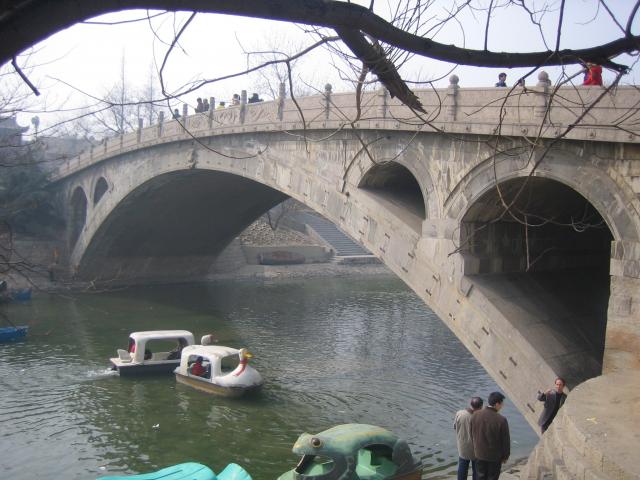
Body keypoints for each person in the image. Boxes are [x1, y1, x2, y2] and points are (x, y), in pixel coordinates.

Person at [470, 392, 510, 480]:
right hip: (494, 457)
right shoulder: (501, 420)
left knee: (480, 477)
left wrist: (475, 449)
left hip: (479, 454)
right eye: (502, 403)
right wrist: (506, 456)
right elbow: (505, 441)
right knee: (492, 477)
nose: (502, 406)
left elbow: (471, 433)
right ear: (497, 404)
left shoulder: (475, 415)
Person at [454, 397, 483, 480]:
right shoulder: (480, 417)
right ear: (481, 407)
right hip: (476, 449)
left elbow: (455, 427)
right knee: (476, 470)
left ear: (470, 404)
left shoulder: (459, 413)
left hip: (463, 446)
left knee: (462, 467)